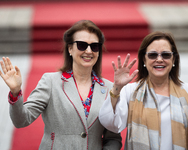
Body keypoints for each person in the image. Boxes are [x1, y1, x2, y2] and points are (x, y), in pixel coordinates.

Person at [0, 20, 122, 150]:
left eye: (94, 46)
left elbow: (113, 138)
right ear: (70, 48)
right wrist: (15, 92)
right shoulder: (51, 82)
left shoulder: (109, 88)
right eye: (81, 45)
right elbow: (21, 120)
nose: (88, 50)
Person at [99, 31, 188, 150]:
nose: (159, 59)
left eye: (166, 55)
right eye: (153, 55)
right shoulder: (130, 91)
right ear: (144, 60)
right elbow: (112, 124)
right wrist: (117, 88)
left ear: (173, 60)